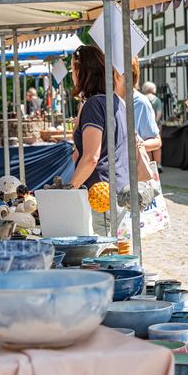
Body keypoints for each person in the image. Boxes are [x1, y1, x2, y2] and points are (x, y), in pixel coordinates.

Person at [69, 45, 130, 236]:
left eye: (73, 70)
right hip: (118, 190)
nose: (72, 76)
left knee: (106, 255)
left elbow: (91, 157)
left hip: (101, 194)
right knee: (118, 251)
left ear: (82, 71)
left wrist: (69, 190)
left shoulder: (95, 105)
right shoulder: (116, 101)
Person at [142, 81, 164, 172]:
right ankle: (158, 164)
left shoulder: (142, 99)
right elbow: (159, 114)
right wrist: (154, 123)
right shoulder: (156, 100)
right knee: (156, 145)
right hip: (155, 125)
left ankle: (149, 164)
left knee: (147, 146)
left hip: (144, 125)